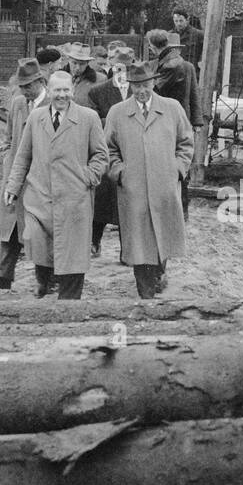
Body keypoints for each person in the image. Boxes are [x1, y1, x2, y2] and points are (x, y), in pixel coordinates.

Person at [4, 68, 108, 299]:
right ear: (48, 91)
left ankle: (70, 300)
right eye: (56, 90)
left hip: (74, 196)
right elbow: (23, 155)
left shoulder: (88, 118)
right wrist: (13, 186)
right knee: (39, 244)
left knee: (73, 252)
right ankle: (45, 283)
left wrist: (88, 176)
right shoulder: (36, 117)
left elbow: (101, 155)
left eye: (66, 90)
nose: (61, 95)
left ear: (72, 90)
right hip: (40, 195)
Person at [104, 59, 193, 299]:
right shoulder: (118, 113)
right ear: (130, 86)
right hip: (133, 189)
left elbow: (186, 142)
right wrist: (119, 172)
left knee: (161, 235)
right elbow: (108, 149)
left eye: (145, 85)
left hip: (164, 185)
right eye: (136, 86)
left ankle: (158, 273)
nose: (141, 91)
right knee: (139, 241)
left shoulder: (172, 108)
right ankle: (145, 291)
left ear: (153, 82)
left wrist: (177, 168)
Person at [0, 57, 46, 290]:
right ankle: (3, 275)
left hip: (41, 177)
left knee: (41, 227)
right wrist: (9, 162)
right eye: (22, 86)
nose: (25, 90)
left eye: (29, 86)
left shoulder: (52, 103)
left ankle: (46, 278)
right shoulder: (18, 104)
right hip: (16, 176)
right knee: (10, 225)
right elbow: (9, 139)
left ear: (40, 81)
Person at [85, 43, 135, 258]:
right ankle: (94, 242)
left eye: (125, 68)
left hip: (133, 154)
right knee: (103, 201)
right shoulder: (98, 91)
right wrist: (119, 120)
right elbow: (93, 121)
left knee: (130, 203)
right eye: (117, 68)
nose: (121, 72)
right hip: (107, 152)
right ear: (111, 67)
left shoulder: (140, 90)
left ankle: (128, 250)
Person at [147, 30, 203, 219]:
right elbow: (194, 96)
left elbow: (154, 90)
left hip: (168, 120)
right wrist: (196, 120)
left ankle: (177, 208)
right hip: (181, 119)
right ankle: (181, 209)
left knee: (173, 164)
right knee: (179, 163)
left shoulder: (173, 66)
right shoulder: (180, 64)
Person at [60, 42, 101, 107]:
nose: (78, 67)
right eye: (74, 63)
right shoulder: (57, 77)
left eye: (82, 64)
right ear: (68, 60)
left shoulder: (100, 80)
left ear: (87, 63)